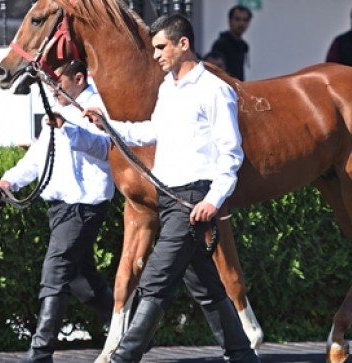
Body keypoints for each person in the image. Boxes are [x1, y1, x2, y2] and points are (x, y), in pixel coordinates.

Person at [79, 13, 260, 363]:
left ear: (183, 44)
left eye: (161, 47)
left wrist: (213, 200)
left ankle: (123, 358)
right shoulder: (168, 88)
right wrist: (107, 124)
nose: (156, 54)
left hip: (194, 200)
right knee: (206, 290)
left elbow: (231, 152)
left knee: (155, 281)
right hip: (170, 199)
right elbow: (149, 132)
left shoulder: (215, 90)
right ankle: (242, 354)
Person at [0, 61, 115, 363]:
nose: (52, 89)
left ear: (78, 78)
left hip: (84, 204)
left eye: (57, 82)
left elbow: (106, 148)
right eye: (49, 83)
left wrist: (68, 128)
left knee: (55, 271)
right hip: (59, 207)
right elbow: (38, 155)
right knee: (80, 278)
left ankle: (40, 353)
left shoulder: (99, 106)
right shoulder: (59, 110)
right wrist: (10, 180)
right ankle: (132, 331)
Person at [210, 5, 252, 81]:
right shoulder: (221, 44)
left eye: (245, 20)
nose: (241, 23)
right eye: (237, 19)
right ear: (230, 21)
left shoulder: (243, 45)